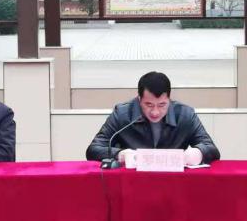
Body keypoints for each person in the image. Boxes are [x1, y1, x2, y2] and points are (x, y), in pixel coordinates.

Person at [86, 71, 219, 166]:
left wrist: (199, 152)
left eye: (162, 105)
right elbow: (93, 149)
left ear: (169, 99)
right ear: (139, 99)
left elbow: (211, 149)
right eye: (148, 105)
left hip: (174, 182)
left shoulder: (185, 115)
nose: (155, 112)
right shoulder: (122, 114)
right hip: (133, 182)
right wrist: (119, 154)